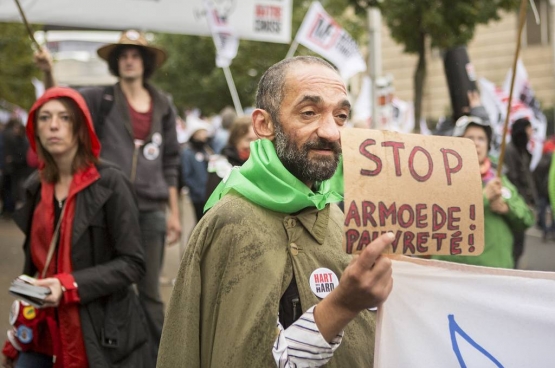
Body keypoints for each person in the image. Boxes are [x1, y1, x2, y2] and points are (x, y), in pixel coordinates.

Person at [157, 56, 394, 368]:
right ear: (263, 124)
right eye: (309, 113)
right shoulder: (231, 223)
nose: (331, 132)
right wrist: (340, 305)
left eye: (341, 116)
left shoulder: (337, 217)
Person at [35, 30, 181, 363]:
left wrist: (174, 212)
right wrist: (47, 71)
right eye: (124, 54)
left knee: (150, 296)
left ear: (145, 62)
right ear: (117, 62)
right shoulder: (100, 98)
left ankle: (161, 358)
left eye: (136, 54)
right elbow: (60, 105)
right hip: (104, 207)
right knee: (105, 286)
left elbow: (171, 159)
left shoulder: (162, 103)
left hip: (150, 209)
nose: (130, 59)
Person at [1, 87, 148, 368]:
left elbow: (133, 264)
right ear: (35, 130)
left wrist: (67, 285)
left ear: (81, 127)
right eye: (44, 118)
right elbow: (34, 270)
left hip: (98, 330)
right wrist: (15, 340)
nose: (53, 125)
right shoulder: (35, 186)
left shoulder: (110, 183)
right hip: (41, 330)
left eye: (65, 117)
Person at [433, 114, 534, 268]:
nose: (476, 143)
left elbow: (527, 219)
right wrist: (484, 197)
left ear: (488, 144)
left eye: (481, 139)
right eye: (470, 138)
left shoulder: (500, 178)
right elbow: (442, 221)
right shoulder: (446, 180)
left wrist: (507, 209)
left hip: (499, 275)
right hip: (462, 275)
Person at [504, 118, 537, 267]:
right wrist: (522, 201)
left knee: (519, 244)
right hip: (516, 204)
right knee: (515, 244)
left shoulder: (523, 150)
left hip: (524, 203)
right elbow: (513, 179)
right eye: (530, 129)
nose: (532, 133)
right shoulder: (510, 150)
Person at [204, 115, 257, 201]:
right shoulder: (221, 166)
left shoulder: (260, 163)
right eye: (248, 139)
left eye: (257, 139)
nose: (254, 144)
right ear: (235, 139)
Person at [180, 117, 214, 222]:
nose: (205, 135)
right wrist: (198, 191)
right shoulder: (188, 152)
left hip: (208, 194)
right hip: (198, 197)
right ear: (195, 134)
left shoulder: (205, 149)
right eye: (202, 132)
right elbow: (186, 175)